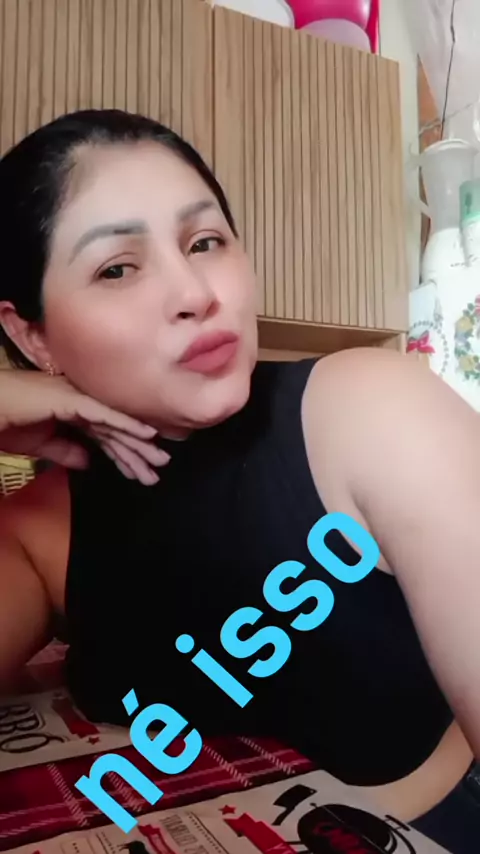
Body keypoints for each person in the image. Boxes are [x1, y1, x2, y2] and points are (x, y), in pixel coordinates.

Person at [0, 109, 479, 851]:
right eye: (117, 268)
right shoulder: (41, 525)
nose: (194, 291)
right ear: (33, 336)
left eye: (205, 242)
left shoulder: (371, 409)